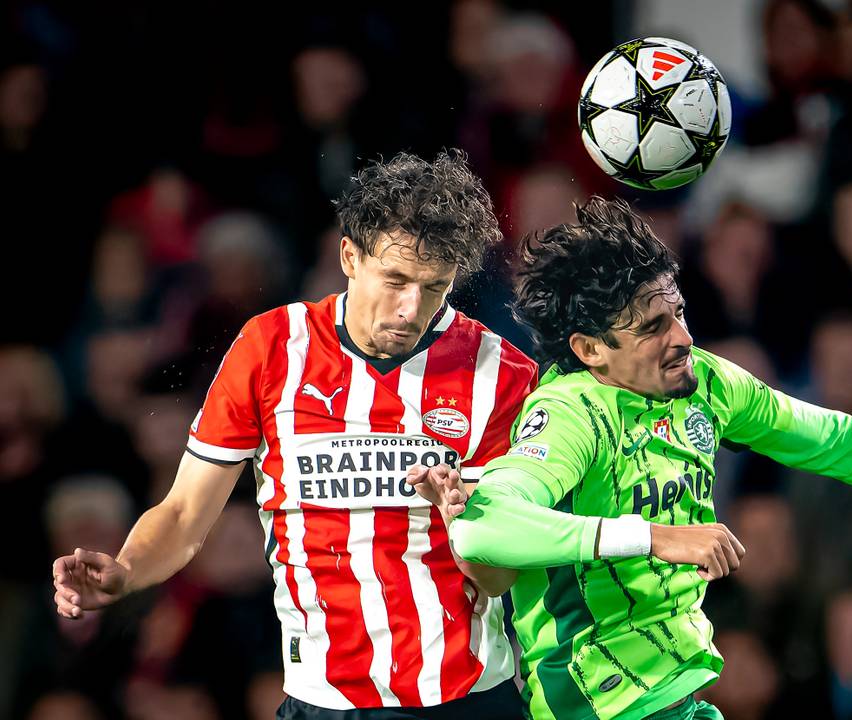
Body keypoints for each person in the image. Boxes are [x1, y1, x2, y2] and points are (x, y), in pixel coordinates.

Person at [408, 198, 852, 720]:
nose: (682, 338)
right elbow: (481, 528)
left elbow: (847, 445)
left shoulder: (705, 387)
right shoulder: (570, 414)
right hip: (597, 705)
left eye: (679, 311)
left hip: (677, 697)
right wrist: (653, 536)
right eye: (652, 327)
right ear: (591, 351)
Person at [51, 151, 539, 718]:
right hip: (323, 702)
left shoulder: (501, 373)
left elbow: (501, 579)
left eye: (435, 287)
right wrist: (128, 570)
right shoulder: (271, 348)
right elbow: (185, 514)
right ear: (349, 256)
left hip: (467, 700)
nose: (412, 309)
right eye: (396, 280)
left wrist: (464, 524)